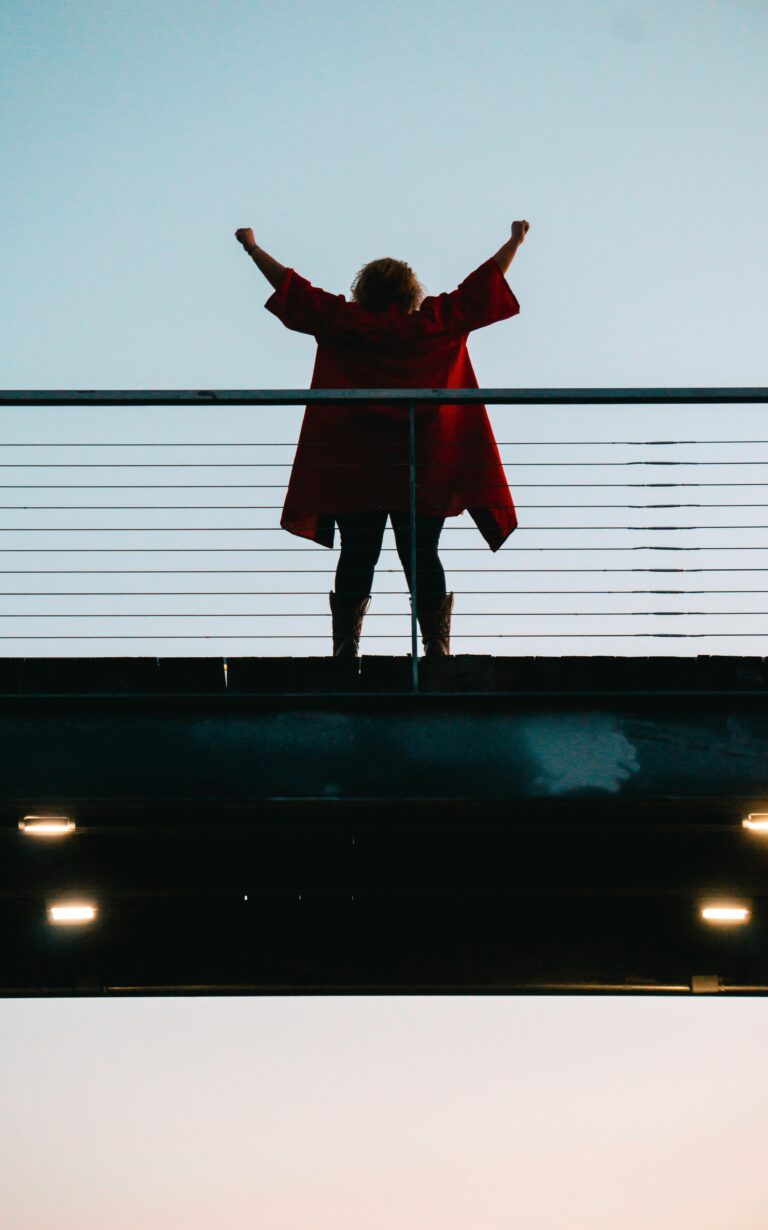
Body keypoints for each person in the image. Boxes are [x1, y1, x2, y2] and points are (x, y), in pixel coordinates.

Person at [235, 220, 529, 660]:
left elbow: (294, 290)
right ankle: (436, 645)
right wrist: (515, 242)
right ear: (410, 292)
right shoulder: (437, 322)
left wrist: (253, 249)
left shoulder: (342, 323)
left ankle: (345, 645)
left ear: (363, 290)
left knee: (357, 551)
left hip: (356, 464)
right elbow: (484, 284)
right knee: (422, 552)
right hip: (426, 460)